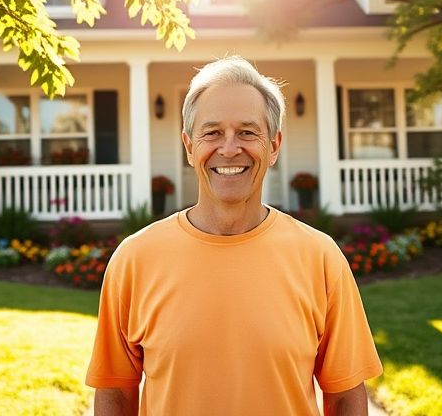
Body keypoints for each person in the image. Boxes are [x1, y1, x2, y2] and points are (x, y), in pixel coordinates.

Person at [86, 57, 382, 415]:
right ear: (189, 146)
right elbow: (115, 394)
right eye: (212, 133)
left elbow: (346, 396)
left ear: (273, 146)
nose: (229, 148)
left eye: (247, 132)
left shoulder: (319, 257)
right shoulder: (134, 260)